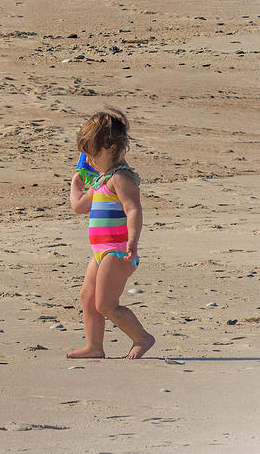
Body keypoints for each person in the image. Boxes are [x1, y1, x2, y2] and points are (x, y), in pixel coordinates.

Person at [66, 109, 155, 360]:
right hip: (100, 252)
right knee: (87, 297)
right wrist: (75, 186)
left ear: (109, 147)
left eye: (92, 155)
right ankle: (95, 346)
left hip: (118, 252)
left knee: (105, 303)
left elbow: (133, 209)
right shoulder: (102, 179)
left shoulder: (121, 178)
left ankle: (142, 338)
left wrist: (133, 241)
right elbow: (80, 206)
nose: (89, 161)